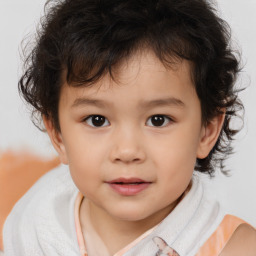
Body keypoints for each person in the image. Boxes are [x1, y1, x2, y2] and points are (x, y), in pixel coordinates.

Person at [3, 0, 256, 255]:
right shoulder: (37, 220)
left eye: (158, 120)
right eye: (97, 120)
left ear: (207, 130)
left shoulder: (234, 248)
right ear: (58, 134)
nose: (127, 151)